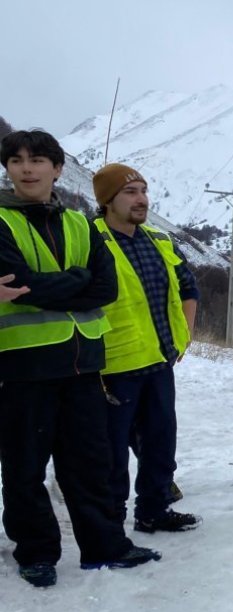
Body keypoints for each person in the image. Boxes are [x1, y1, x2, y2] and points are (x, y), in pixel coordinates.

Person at [0, 129, 159, 588]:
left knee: (90, 462)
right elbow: (15, 281)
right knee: (25, 466)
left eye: (37, 160)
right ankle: (36, 552)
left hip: (84, 362)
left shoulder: (80, 223)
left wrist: (44, 287)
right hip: (25, 365)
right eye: (16, 161)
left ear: (57, 168)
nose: (26, 168)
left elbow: (105, 288)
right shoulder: (1, 221)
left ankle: (105, 545)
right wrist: (76, 281)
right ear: (8, 169)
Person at [92, 163, 201, 533]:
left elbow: (188, 288)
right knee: (111, 452)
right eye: (130, 192)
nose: (141, 199)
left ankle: (154, 510)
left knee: (160, 442)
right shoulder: (90, 241)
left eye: (143, 190)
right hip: (112, 368)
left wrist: (183, 336)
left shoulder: (159, 240)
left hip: (158, 362)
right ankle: (109, 523)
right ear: (107, 201)